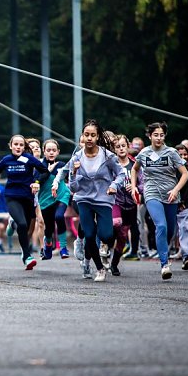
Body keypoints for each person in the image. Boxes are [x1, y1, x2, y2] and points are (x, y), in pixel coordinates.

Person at [130, 122, 188, 280]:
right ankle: (164, 264)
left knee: (169, 231)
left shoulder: (171, 153)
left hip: (171, 194)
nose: (158, 138)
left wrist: (176, 189)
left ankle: (163, 249)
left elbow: (185, 174)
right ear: (149, 136)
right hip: (151, 193)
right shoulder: (144, 153)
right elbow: (134, 169)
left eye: (161, 135)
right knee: (160, 226)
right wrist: (134, 186)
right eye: (155, 135)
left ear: (165, 136)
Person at [68, 120, 124, 282]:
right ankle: (99, 268)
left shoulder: (107, 155)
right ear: (83, 137)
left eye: (93, 135)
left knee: (106, 235)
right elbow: (74, 188)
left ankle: (105, 249)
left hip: (103, 199)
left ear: (98, 136)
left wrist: (114, 185)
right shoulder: (77, 157)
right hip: (84, 199)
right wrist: (73, 172)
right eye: (87, 135)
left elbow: (121, 174)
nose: (90, 138)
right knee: (90, 235)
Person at [0, 134, 48, 270]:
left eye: (21, 145)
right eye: (16, 144)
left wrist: (37, 182)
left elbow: (44, 172)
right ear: (11, 146)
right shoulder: (6, 160)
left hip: (27, 197)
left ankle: (13, 224)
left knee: (26, 227)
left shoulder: (29, 159)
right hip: (12, 196)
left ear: (24, 147)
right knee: (22, 224)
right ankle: (27, 256)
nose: (18, 147)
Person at [109, 135, 136, 275]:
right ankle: (106, 244)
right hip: (115, 202)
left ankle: (114, 264)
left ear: (128, 146)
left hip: (131, 205)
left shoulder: (135, 165)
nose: (121, 149)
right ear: (114, 149)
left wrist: (136, 188)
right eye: (117, 146)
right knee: (116, 223)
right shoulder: (112, 164)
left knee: (123, 236)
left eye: (123, 146)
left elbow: (142, 183)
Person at [40, 139, 71, 260]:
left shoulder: (62, 165)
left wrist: (75, 170)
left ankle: (63, 248)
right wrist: (48, 171)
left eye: (54, 150)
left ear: (58, 152)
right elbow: (37, 180)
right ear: (44, 151)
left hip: (61, 196)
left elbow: (71, 177)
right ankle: (48, 245)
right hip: (45, 200)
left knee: (59, 217)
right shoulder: (39, 166)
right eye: (48, 150)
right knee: (49, 228)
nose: (51, 152)